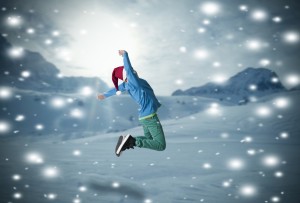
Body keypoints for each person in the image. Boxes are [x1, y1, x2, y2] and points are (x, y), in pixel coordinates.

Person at [97, 50, 166, 157]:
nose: (134, 72)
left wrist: (104, 95)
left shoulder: (131, 84)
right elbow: (128, 70)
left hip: (145, 117)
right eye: (131, 72)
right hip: (150, 117)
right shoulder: (133, 82)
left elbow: (117, 88)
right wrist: (125, 55)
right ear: (127, 77)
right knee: (160, 145)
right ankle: (131, 141)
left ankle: (128, 140)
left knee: (149, 139)